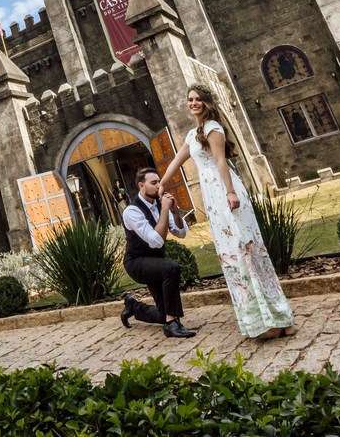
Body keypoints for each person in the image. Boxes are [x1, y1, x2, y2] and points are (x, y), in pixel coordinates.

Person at [161, 84, 296, 340]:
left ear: (207, 102)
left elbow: (221, 161)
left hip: (224, 189)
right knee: (231, 255)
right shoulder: (192, 135)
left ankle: (278, 320)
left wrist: (231, 192)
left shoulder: (213, 128)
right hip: (211, 196)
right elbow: (176, 162)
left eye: (198, 99)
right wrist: (162, 184)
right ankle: (258, 322)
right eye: (190, 99)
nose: (193, 103)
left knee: (245, 248)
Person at [120, 168, 196, 338]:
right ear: (141, 186)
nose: (158, 186)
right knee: (172, 268)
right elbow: (155, 241)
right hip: (137, 263)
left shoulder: (161, 204)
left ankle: (134, 306)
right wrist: (164, 211)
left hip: (156, 262)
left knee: (163, 313)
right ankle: (171, 324)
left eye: (159, 182)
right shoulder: (132, 211)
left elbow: (181, 233)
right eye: (153, 183)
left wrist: (175, 212)